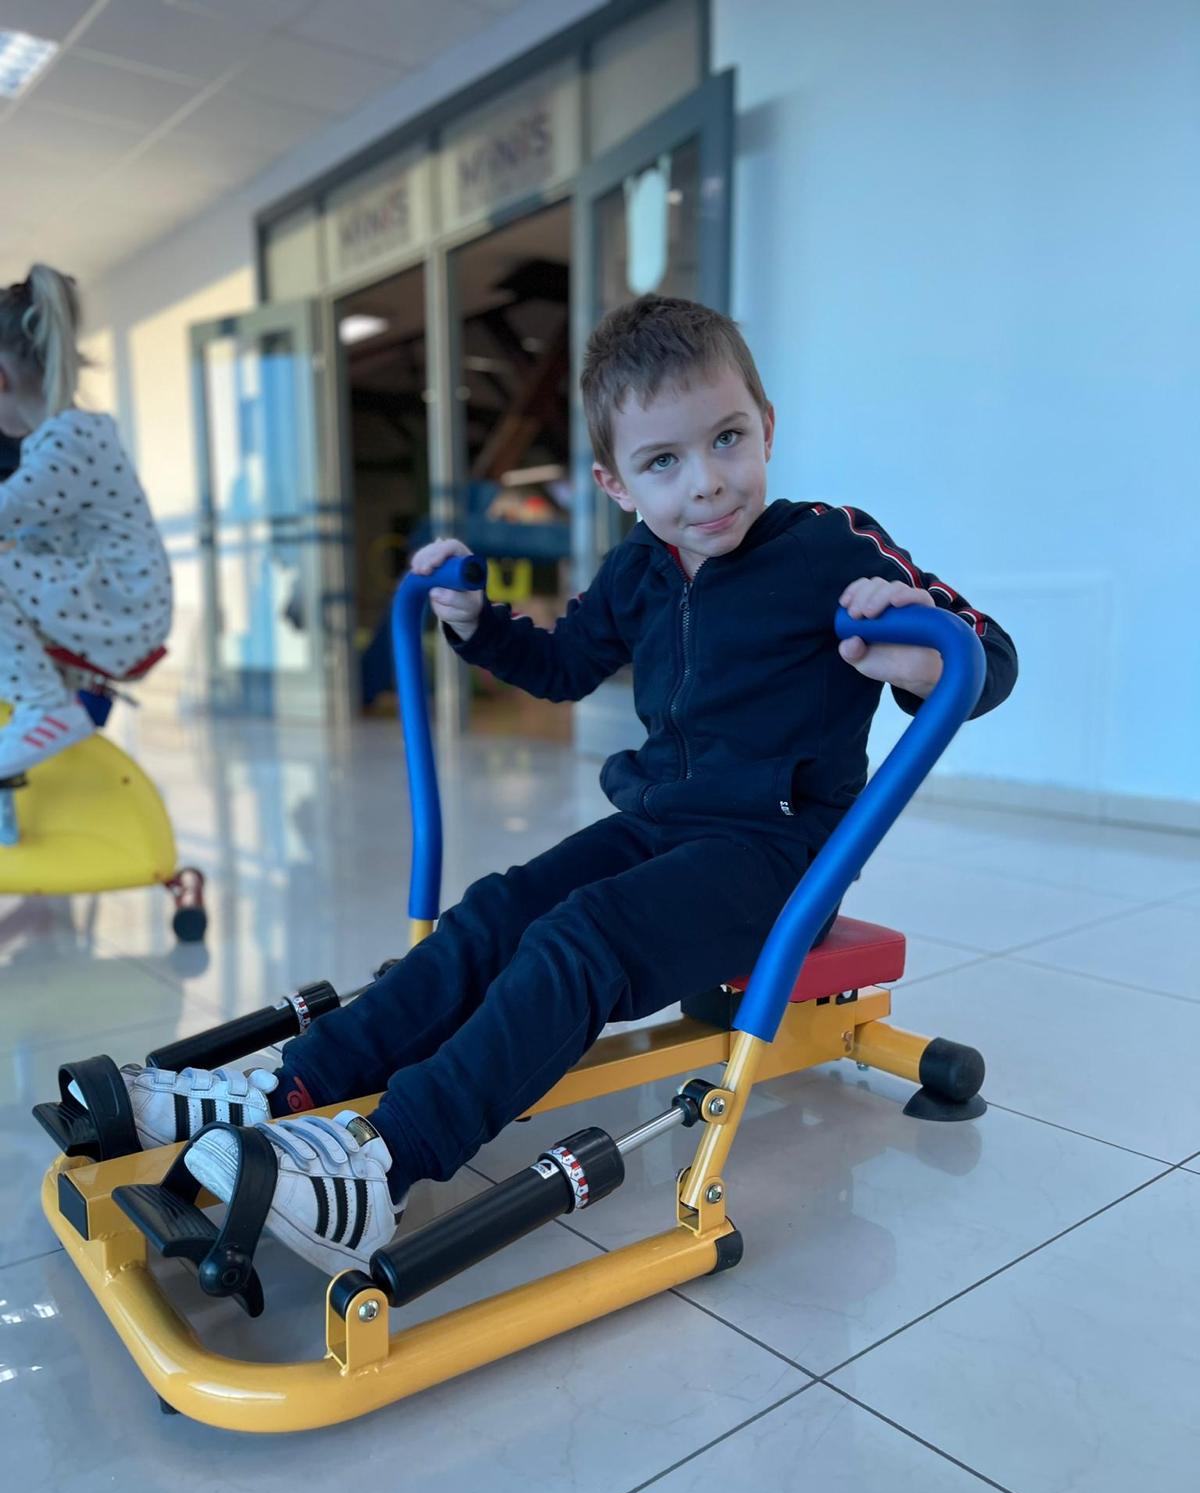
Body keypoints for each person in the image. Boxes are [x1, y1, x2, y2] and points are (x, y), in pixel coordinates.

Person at [75, 295, 1018, 1276]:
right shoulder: (640, 571)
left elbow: (985, 654)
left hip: (780, 858)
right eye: (664, 462)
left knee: (582, 939)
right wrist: (476, 622)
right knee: (495, 912)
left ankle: (384, 1165)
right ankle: (287, 1091)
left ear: (767, 427)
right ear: (616, 483)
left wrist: (916, 650)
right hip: (660, 829)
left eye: (728, 439)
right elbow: (564, 664)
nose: (706, 482)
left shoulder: (833, 546)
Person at [0, 265, 172, 780]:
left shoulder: (70, 439)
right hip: (104, 596)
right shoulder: (60, 439)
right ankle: (31, 732)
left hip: (122, 605)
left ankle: (44, 708)